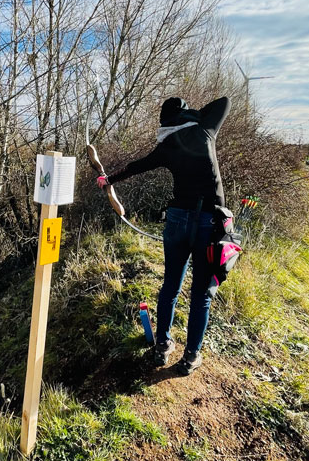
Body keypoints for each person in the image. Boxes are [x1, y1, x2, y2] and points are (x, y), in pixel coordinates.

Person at [97, 96, 230, 375]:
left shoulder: (167, 144)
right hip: (208, 223)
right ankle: (190, 357)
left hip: (177, 219)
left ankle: (162, 345)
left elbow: (136, 166)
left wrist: (108, 180)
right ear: (185, 114)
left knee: (170, 286)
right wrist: (194, 115)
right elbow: (224, 102)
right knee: (201, 295)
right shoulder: (204, 130)